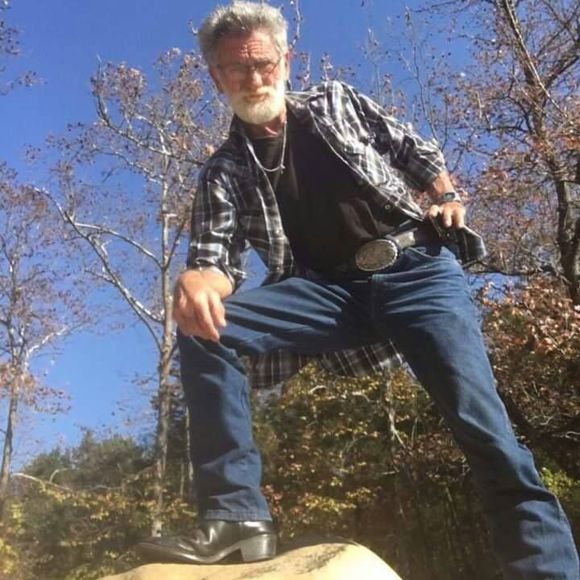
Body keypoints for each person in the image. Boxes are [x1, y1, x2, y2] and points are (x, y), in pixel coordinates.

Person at [136, 1, 580, 577]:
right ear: (216, 77)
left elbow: (412, 149)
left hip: (417, 270)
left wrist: (445, 195)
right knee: (204, 327)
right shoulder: (224, 171)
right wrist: (199, 277)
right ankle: (235, 516)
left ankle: (544, 570)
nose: (254, 78)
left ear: (286, 62)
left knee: (482, 426)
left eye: (264, 64)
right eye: (237, 69)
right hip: (328, 294)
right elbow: (217, 260)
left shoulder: (335, 102)